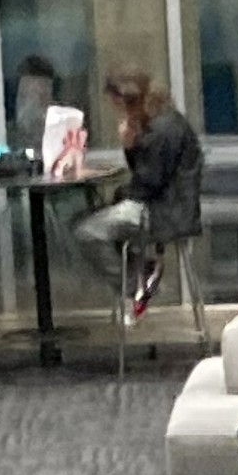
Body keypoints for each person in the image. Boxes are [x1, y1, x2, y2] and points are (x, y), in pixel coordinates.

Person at [71, 69, 203, 317]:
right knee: (90, 219)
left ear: (126, 99)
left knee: (85, 231)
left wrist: (130, 147)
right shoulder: (165, 121)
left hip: (161, 214)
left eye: (117, 104)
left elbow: (147, 182)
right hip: (169, 208)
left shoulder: (161, 130)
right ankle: (142, 270)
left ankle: (137, 284)